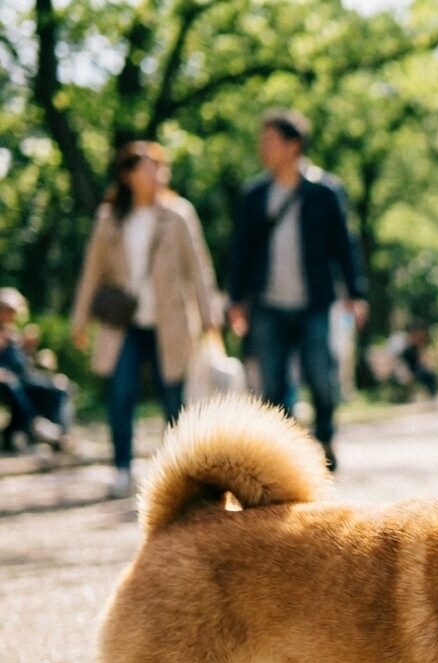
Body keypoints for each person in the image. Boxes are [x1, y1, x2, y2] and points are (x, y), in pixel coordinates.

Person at [71, 142, 219, 496]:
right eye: (148, 167)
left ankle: (182, 472)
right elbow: (92, 272)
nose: (157, 174)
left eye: (160, 167)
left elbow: (197, 267)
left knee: (173, 398)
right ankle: (122, 468)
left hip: (169, 323)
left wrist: (209, 314)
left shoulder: (178, 214)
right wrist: (79, 321)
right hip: (125, 324)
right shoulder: (110, 219)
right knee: (121, 395)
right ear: (128, 174)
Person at [228, 109, 367, 471]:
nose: (264, 148)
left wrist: (356, 293)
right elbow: (241, 251)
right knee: (272, 387)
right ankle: (285, 457)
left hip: (313, 303)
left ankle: (324, 436)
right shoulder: (255, 195)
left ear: (294, 146)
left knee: (321, 378)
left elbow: (344, 245)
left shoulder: (324, 191)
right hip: (267, 304)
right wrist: (236, 300)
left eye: (272, 141)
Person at [0, 288, 69, 451]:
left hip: (24, 377)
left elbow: (22, 363)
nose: (10, 315)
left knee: (60, 387)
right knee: (12, 384)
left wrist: (30, 351)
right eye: (6, 311)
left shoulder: (13, 333)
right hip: (7, 381)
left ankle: (60, 435)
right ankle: (34, 424)